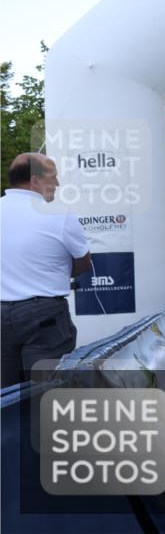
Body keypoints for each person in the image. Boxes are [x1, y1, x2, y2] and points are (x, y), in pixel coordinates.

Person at [1, 153, 92, 387]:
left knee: (6, 396)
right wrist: (55, 272)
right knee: (46, 394)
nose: (58, 184)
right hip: (44, 316)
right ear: (34, 181)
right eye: (53, 177)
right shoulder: (60, 214)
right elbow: (83, 262)